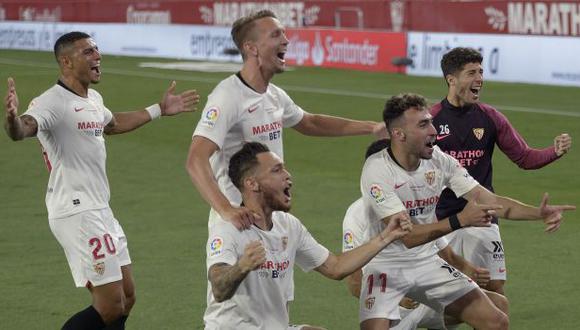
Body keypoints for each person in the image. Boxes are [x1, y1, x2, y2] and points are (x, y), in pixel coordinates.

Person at [4, 31, 199, 329]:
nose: (98, 56)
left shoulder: (93, 98)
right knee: (109, 306)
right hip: (76, 210)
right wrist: (12, 119)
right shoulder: (51, 102)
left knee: (127, 298)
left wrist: (159, 109)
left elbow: (113, 123)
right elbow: (23, 129)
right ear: (66, 62)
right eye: (88, 52)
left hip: (100, 209)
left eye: (97, 50)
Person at [358, 93, 575, 329]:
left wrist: (538, 213)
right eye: (423, 125)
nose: (433, 130)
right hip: (386, 266)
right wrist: (460, 219)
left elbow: (488, 199)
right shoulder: (377, 170)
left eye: (430, 121)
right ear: (399, 134)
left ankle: (421, 316)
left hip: (427, 262)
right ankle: (415, 318)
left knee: (496, 321)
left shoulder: (439, 159)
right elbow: (407, 237)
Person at [186, 10, 386, 230]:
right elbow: (196, 158)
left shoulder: (274, 95)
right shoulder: (228, 96)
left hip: (270, 214)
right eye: (275, 35)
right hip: (240, 219)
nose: (286, 40)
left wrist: (371, 127)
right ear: (251, 48)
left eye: (283, 33)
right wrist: (226, 209)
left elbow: (310, 122)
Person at [204, 142, 412, 329]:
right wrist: (242, 267)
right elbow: (219, 289)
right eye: (277, 170)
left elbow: (336, 267)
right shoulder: (229, 227)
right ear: (252, 184)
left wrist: (386, 236)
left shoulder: (288, 225)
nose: (288, 175)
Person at [431, 47, 573, 294]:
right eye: (471, 73)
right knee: (442, 298)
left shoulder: (490, 118)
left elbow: (525, 157)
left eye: (481, 72)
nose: (480, 79)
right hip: (441, 221)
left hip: (485, 216)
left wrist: (554, 151)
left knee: (494, 291)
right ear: (451, 79)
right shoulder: (431, 120)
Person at [342, 139, 507, 330]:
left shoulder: (417, 204)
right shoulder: (357, 215)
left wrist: (470, 271)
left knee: (498, 305)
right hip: (395, 305)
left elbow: (447, 254)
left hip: (424, 298)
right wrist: (400, 299)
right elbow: (354, 281)